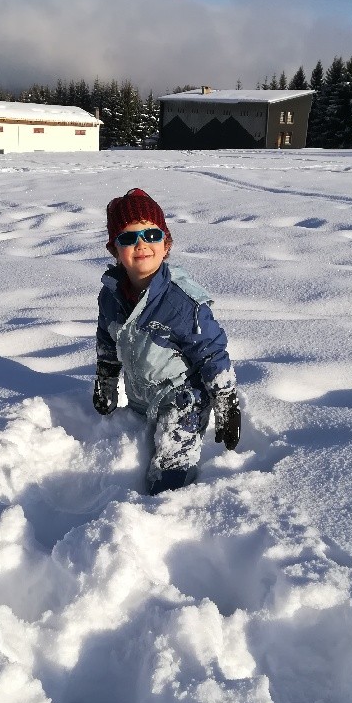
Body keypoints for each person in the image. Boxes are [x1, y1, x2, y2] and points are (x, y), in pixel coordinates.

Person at [94, 187, 241, 495]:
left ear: (166, 244)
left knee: (171, 467)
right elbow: (107, 337)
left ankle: (170, 504)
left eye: (151, 234)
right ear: (114, 249)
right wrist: (106, 377)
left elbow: (211, 352)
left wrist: (226, 400)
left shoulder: (180, 301)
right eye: (128, 238)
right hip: (140, 395)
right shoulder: (111, 296)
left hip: (183, 399)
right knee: (132, 442)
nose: (141, 244)